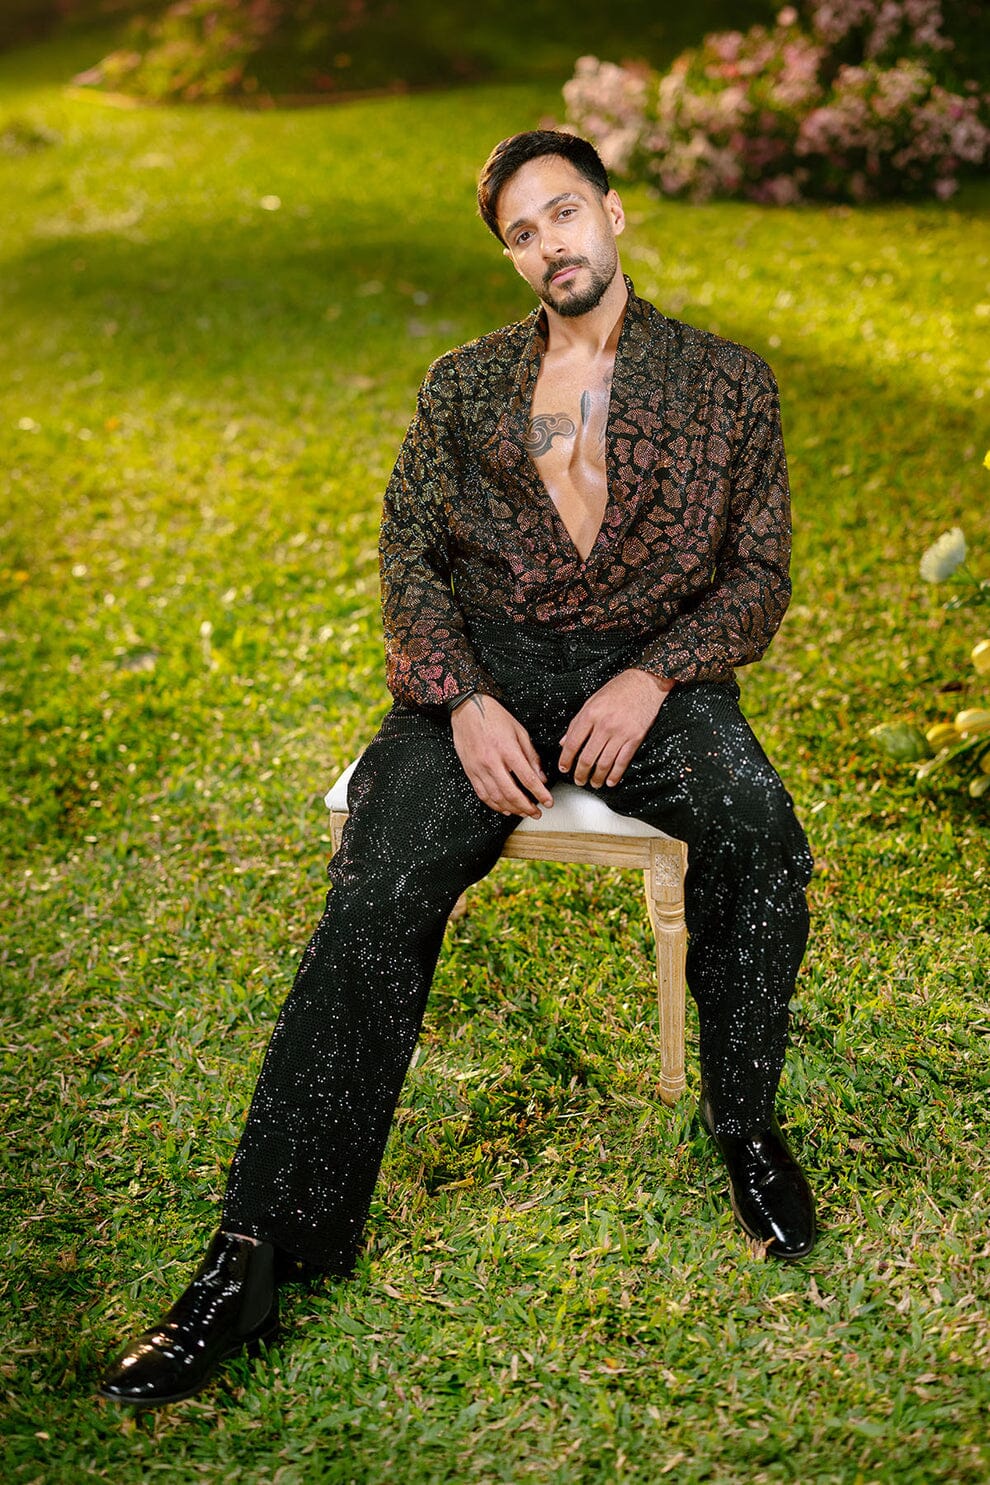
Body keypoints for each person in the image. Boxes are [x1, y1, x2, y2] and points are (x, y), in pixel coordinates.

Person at [100, 130, 816, 1408]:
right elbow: (408, 560)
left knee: (758, 829)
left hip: (649, 677)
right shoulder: (463, 386)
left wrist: (654, 678)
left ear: (614, 213)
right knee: (376, 894)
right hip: (481, 680)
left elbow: (757, 578)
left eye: (564, 214)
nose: (550, 246)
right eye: (522, 234)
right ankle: (255, 1256)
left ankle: (747, 1128)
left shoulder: (726, 384)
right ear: (511, 255)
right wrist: (465, 699)